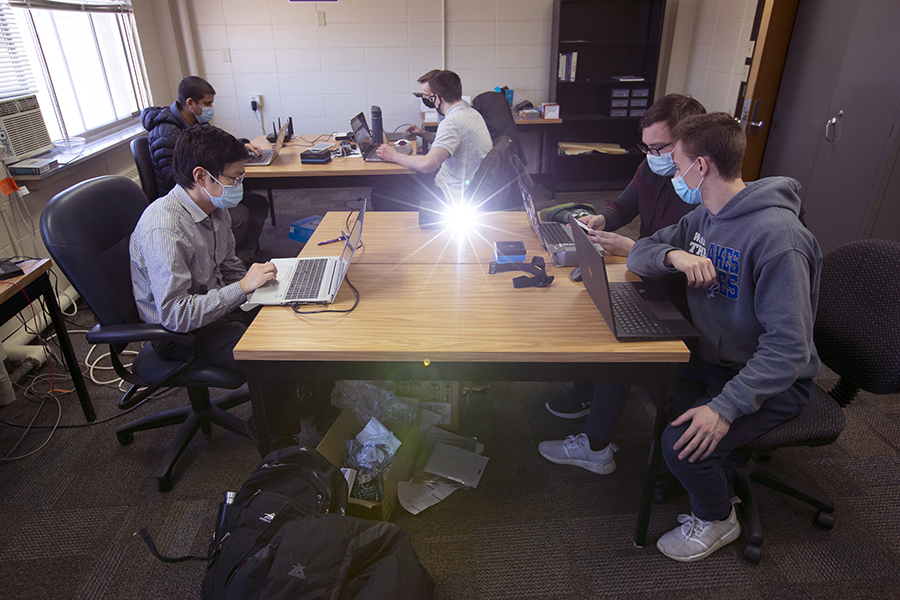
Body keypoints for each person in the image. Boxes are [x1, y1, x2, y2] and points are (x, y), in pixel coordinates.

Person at [626, 112, 822, 562]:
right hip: (720, 357)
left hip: (776, 381)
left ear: (703, 166)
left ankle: (718, 518)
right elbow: (641, 251)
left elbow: (790, 348)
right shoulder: (707, 217)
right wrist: (674, 254)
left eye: (676, 162)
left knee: (680, 445)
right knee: (636, 362)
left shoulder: (778, 239)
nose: (673, 171)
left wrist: (725, 408)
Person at [538, 94, 706, 474]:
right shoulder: (653, 168)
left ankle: (596, 447)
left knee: (618, 332)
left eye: (660, 148)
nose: (652, 156)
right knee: (588, 301)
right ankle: (586, 392)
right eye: (645, 147)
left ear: (688, 146)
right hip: (649, 273)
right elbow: (624, 205)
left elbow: (687, 260)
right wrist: (602, 219)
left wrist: (635, 248)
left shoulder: (700, 193)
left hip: (683, 298)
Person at [129, 124, 302, 448]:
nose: (239, 185)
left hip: (213, 306)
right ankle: (276, 440)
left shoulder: (213, 207)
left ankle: (292, 403)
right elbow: (176, 315)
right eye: (234, 178)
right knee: (271, 351)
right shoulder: (164, 229)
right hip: (181, 334)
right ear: (201, 176)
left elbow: (227, 264)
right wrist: (243, 290)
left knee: (290, 320)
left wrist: (267, 288)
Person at [141, 76, 268, 266]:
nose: (210, 108)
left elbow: (213, 145)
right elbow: (175, 179)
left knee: (257, 203)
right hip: (190, 193)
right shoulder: (166, 134)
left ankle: (240, 260)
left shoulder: (195, 122)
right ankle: (228, 262)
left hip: (204, 185)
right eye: (207, 103)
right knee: (239, 215)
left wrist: (239, 147)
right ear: (190, 103)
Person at [375, 70, 492, 208]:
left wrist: (393, 155)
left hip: (450, 193)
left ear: (437, 98)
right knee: (400, 178)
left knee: (379, 194)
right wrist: (421, 133)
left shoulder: (452, 122)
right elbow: (450, 144)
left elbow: (427, 165)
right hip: (467, 186)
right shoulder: (473, 113)